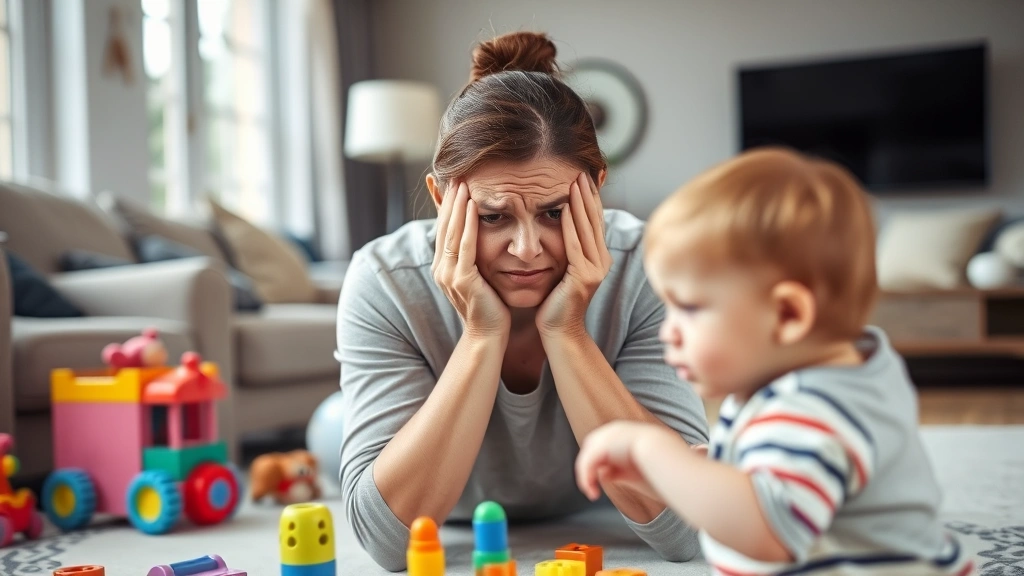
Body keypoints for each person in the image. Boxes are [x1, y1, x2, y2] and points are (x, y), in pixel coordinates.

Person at [336, 31, 708, 571]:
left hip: (570, 495)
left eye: (555, 212)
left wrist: (569, 333)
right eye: (493, 217)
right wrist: (483, 336)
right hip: (452, 502)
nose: (526, 250)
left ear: (596, 190)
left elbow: (689, 532)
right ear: (443, 200)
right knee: (330, 435)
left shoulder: (650, 267)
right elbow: (389, 547)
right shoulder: (384, 279)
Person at [575, 148, 974, 575]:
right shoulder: (838, 374)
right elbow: (777, 473)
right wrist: (698, 472)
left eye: (688, 308)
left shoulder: (811, 409)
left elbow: (767, 531)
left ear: (788, 315)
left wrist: (654, 452)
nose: (667, 331)